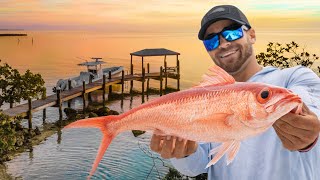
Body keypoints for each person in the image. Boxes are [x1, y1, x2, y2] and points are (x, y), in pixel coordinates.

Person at [150, 5, 320, 180]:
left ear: (251, 35)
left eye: (232, 32)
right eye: (211, 40)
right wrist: (183, 152)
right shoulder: (208, 98)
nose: (224, 44)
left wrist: (308, 132)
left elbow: (312, 107)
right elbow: (197, 166)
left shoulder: (295, 77)